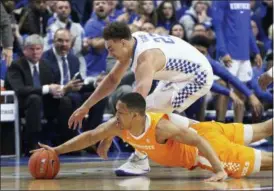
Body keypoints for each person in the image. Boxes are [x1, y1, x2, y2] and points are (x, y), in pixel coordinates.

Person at [68, 21, 214, 175]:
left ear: (123, 42)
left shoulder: (145, 59)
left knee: (146, 112)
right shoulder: (133, 41)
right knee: (155, 112)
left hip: (197, 76)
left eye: (111, 49)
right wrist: (86, 106)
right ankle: (208, 136)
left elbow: (136, 105)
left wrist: (109, 134)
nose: (109, 54)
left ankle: (141, 159)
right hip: (176, 74)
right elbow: (112, 80)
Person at [32, 93, 273, 181]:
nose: (116, 115)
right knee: (264, 128)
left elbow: (199, 142)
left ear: (137, 116)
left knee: (268, 162)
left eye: (121, 112)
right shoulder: (120, 125)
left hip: (208, 148)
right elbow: (90, 136)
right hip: (207, 129)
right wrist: (56, 150)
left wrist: (220, 170)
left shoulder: (160, 128)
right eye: (117, 110)